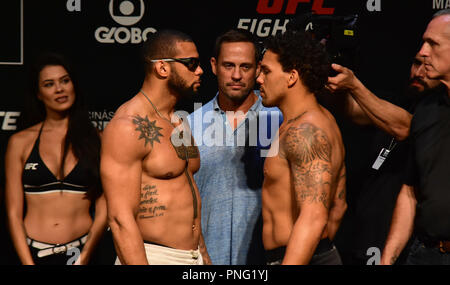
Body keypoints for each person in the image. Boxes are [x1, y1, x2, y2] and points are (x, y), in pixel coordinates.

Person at [100, 29, 211, 265]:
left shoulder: (179, 119)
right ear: (162, 68)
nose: (200, 71)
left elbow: (188, 191)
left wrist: (203, 256)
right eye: (191, 64)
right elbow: (120, 219)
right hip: (153, 256)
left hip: (192, 257)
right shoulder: (128, 126)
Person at [326, 53, 443, 264]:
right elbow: (353, 111)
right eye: (416, 63)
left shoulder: (437, 116)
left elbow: (405, 126)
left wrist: (354, 85)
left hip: (400, 236)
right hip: (364, 230)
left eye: (427, 66)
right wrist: (332, 84)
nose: (418, 72)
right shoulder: (398, 102)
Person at [187, 29, 281, 265]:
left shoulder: (280, 119)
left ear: (259, 68)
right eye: (228, 65)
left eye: (245, 67)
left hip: (267, 261)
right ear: (213, 65)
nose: (237, 75)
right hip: (207, 260)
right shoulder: (188, 125)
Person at [4, 53, 107, 265]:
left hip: (83, 253)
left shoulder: (97, 139)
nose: (59, 89)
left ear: (74, 85)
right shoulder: (20, 142)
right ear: (38, 94)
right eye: (49, 84)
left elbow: (105, 206)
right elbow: (13, 213)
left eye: (65, 81)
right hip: (33, 254)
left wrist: (84, 258)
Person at [257, 29, 347, 265]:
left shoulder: (305, 131)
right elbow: (338, 206)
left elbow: (314, 216)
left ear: (291, 76)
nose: (258, 79)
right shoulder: (320, 119)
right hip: (312, 254)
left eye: (266, 71)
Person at [381, 9, 450, 265]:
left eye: (433, 44)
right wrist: (387, 257)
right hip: (425, 254)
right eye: (424, 42)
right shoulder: (425, 111)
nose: (422, 51)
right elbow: (410, 191)